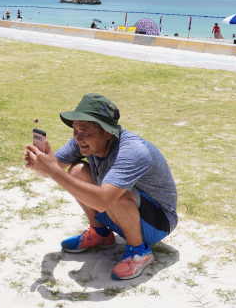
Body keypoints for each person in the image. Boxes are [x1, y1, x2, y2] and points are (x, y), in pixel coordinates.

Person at [23, 94, 178, 281]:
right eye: (75, 130)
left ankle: (139, 252)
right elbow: (55, 169)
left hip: (158, 223)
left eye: (85, 131)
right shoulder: (83, 141)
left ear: (107, 132)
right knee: (78, 170)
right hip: (120, 211)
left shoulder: (132, 151)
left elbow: (103, 200)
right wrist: (41, 165)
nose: (78, 137)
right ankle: (100, 234)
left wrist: (54, 171)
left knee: (116, 193)